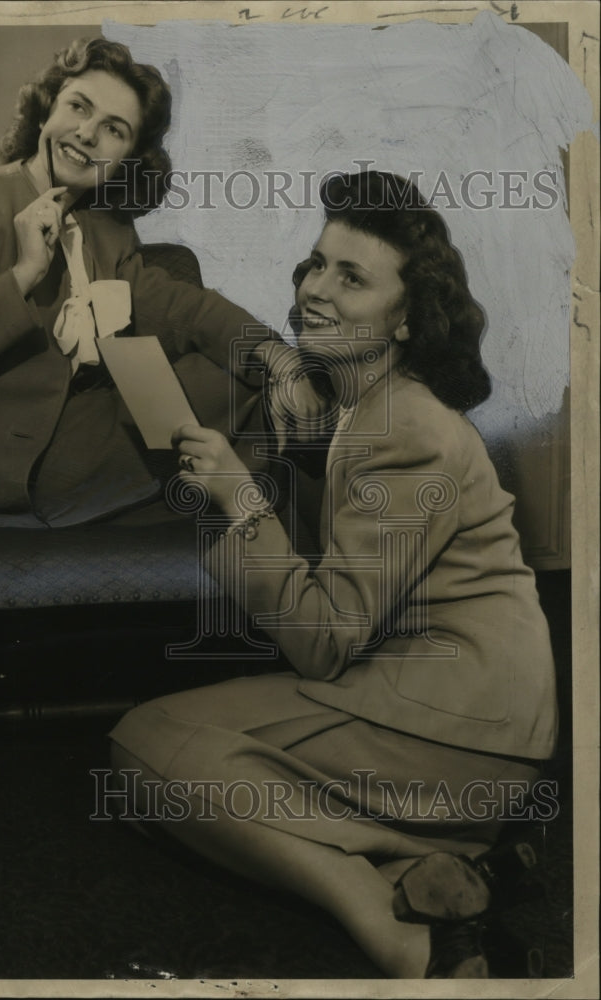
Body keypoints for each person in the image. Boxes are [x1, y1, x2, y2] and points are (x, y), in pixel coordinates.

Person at [109, 170, 559, 978]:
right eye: (315, 265)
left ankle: (392, 927)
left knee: (142, 750)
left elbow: (321, 641)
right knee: (163, 774)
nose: (316, 289)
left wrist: (243, 500)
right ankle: (439, 858)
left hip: (455, 733)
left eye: (352, 277)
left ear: (406, 319)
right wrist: (301, 456)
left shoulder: (404, 427)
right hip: (442, 712)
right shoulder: (368, 404)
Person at [0, 37, 323, 527]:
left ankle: (290, 552)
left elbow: (183, 308)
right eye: (78, 107)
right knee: (272, 418)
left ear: (128, 157)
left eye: (113, 129)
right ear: (48, 108)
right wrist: (24, 275)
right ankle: (303, 556)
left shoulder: (107, 226)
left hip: (98, 427)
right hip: (1, 463)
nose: (86, 134)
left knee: (254, 377)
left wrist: (281, 359)